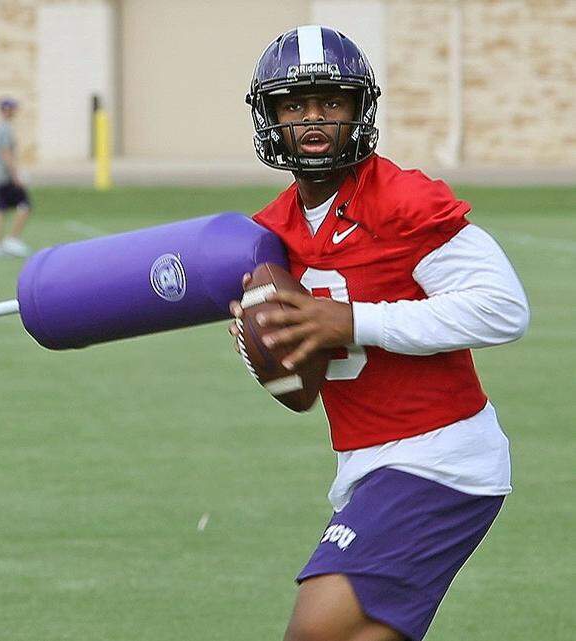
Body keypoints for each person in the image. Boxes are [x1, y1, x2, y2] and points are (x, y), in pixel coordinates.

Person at [228, 26, 529, 641]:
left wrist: (356, 320)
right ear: (269, 116)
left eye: (331, 102)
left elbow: (503, 308)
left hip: (440, 457)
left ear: (360, 110)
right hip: (366, 460)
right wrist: (269, 346)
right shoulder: (272, 232)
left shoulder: (402, 201)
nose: (313, 119)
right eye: (294, 104)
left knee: (315, 627)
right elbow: (298, 386)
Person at [0, 97, 33, 259]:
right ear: (7, 110)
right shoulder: (5, 129)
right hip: (6, 177)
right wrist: (16, 175)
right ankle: (12, 239)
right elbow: (6, 153)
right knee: (25, 205)